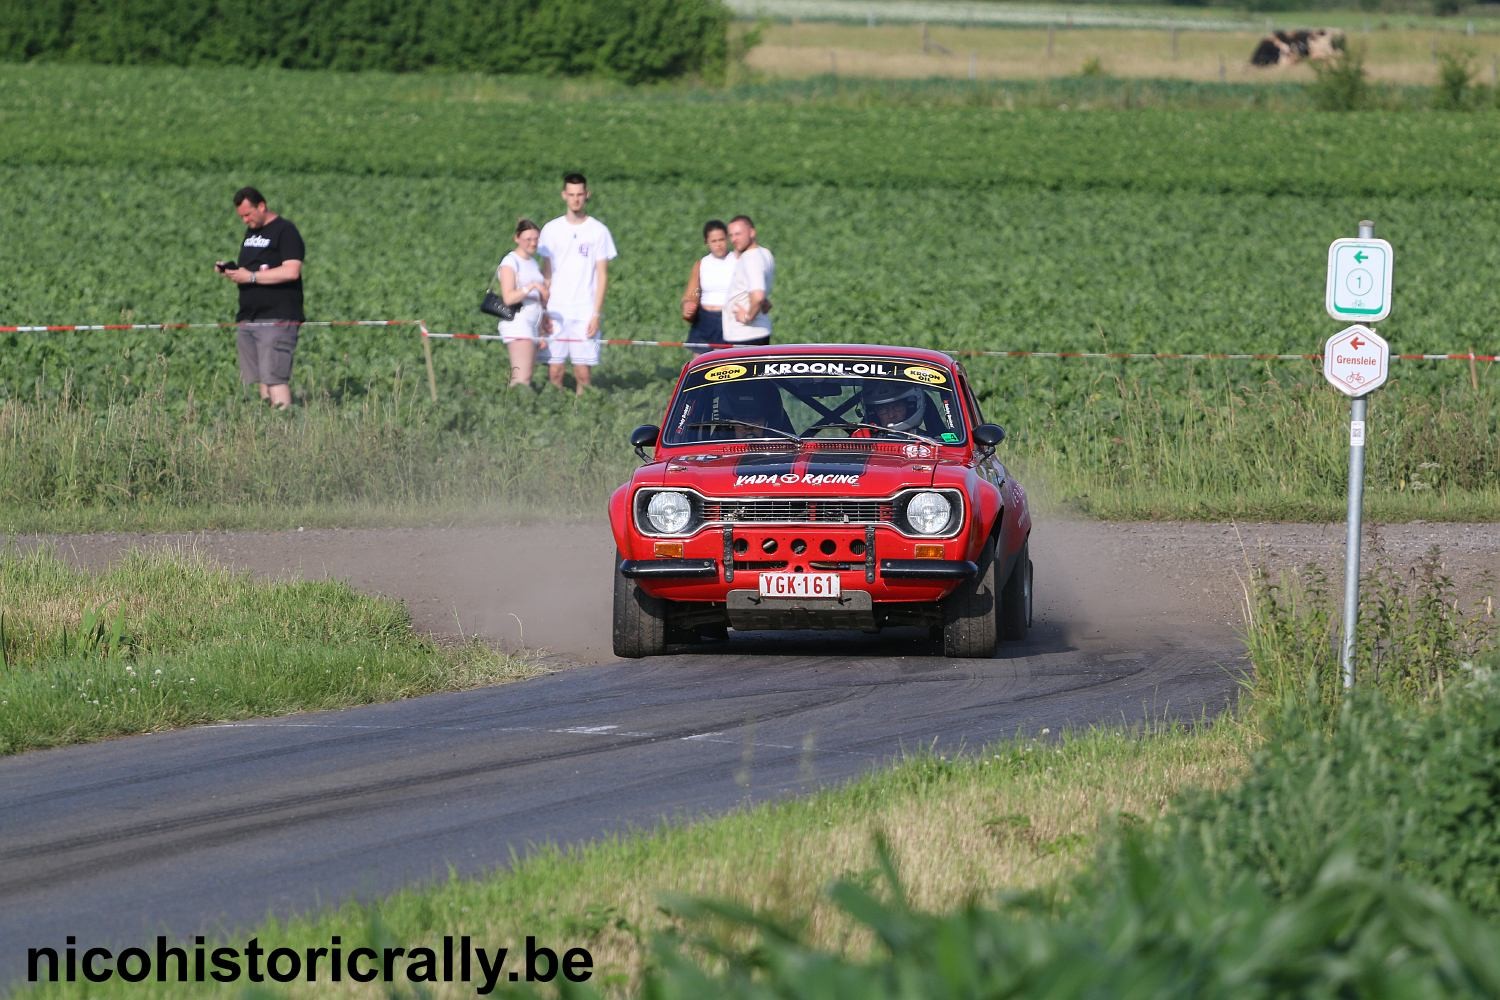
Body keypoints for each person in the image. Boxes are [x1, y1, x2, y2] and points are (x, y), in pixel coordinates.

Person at [217, 187, 304, 409]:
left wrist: (251, 277)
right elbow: (251, 269)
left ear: (262, 206)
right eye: (241, 217)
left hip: (277, 316)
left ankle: (284, 420)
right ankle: (268, 422)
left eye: (248, 214)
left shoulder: (286, 231)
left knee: (275, 378)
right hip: (249, 316)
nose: (245, 220)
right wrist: (232, 271)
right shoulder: (252, 233)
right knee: (261, 379)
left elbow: (291, 271)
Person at [537, 173, 616, 394]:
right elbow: (546, 272)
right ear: (564, 195)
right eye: (571, 194)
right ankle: (555, 408)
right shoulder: (551, 229)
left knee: (583, 373)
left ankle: (583, 410)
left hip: (584, 309)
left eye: (580, 194)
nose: (576, 199)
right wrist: (543, 310)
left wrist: (596, 314)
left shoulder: (598, 231)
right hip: (556, 309)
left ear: (587, 195)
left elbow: (602, 275)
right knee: (555, 371)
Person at [496, 218, 549, 388]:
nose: (533, 243)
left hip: (533, 322)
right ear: (517, 238)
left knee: (527, 376)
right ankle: (513, 402)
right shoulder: (510, 262)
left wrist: (541, 329)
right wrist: (531, 286)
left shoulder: (532, 262)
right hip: (518, 322)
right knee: (521, 379)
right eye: (528, 239)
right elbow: (508, 297)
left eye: (536, 239)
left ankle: (518, 400)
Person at [680, 220, 733, 354]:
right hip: (704, 320)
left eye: (721, 240)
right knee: (699, 362)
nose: (718, 244)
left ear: (727, 239)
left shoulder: (738, 261)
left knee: (724, 363)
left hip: (729, 321)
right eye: (713, 241)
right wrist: (688, 305)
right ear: (706, 242)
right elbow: (693, 292)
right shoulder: (702, 264)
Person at [721, 214, 774, 347]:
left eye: (738, 234)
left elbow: (758, 296)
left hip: (744, 334)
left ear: (752, 232)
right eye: (731, 235)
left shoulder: (751, 258)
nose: (733, 239)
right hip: (757, 332)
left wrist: (747, 317)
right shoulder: (765, 253)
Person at [853, 382, 927, 438]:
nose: (891, 415)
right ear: (875, 414)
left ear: (910, 407)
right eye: (882, 409)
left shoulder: (928, 442)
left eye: (897, 406)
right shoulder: (862, 439)